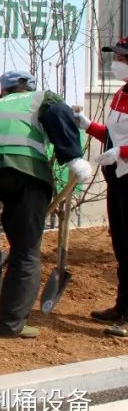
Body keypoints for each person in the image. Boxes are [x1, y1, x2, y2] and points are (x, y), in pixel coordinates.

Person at [0, 70, 91, 339]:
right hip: (24, 171)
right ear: (29, 87)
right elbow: (59, 114)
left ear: (3, 91)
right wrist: (73, 157)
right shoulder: (42, 98)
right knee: (25, 249)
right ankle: (11, 325)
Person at [74, 40, 128, 335]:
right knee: (122, 247)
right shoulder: (121, 94)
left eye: (123, 58)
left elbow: (121, 145)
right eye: (117, 57)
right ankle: (122, 307)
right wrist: (88, 126)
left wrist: (122, 152)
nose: (117, 63)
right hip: (118, 179)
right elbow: (114, 135)